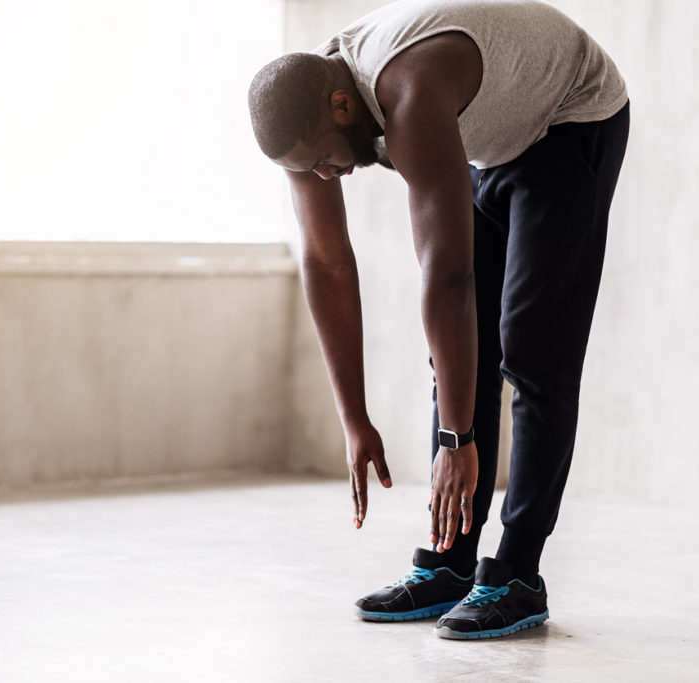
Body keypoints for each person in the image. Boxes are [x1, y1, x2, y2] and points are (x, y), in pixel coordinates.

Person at [248, 0, 628, 640]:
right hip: (495, 133)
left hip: (569, 114)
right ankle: (452, 561)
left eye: (321, 161)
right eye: (307, 169)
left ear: (342, 108)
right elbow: (326, 262)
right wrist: (354, 419)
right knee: (457, 354)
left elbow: (447, 278)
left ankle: (517, 573)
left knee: (534, 354)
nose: (324, 174)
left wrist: (456, 442)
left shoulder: (409, 93)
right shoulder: (308, 103)